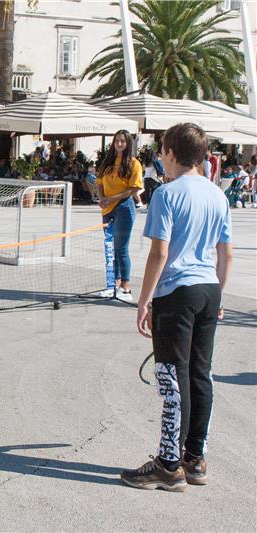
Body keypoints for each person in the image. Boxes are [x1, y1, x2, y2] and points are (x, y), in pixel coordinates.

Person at [123, 123, 233, 492]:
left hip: (177, 292)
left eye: (162, 153)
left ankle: (168, 464)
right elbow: (226, 253)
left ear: (170, 153)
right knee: (201, 373)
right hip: (208, 289)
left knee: (172, 377)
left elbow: (160, 253)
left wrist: (144, 301)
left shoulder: (166, 195)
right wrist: (217, 293)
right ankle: (195, 457)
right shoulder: (218, 196)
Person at [96, 129, 143, 302]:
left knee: (121, 248)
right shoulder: (107, 163)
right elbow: (99, 183)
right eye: (117, 141)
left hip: (124, 208)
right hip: (107, 209)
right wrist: (102, 199)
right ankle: (112, 285)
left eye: (123, 141)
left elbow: (134, 188)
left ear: (128, 143)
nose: (119, 144)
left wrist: (111, 198)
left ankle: (125, 286)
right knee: (110, 248)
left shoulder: (133, 163)